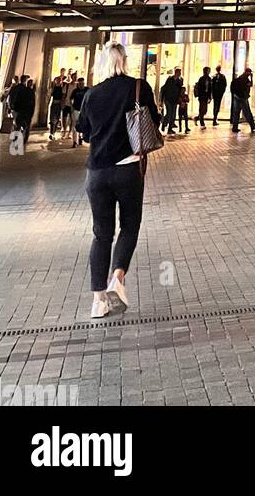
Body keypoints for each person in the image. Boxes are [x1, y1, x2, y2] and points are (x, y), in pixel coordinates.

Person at [77, 42, 161, 320]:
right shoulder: (138, 87)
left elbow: (84, 132)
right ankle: (117, 277)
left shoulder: (91, 94)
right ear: (125, 60)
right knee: (129, 226)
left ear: (102, 63)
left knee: (101, 233)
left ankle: (98, 302)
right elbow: (154, 120)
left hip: (97, 173)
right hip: (128, 170)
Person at [8, 77, 35, 142]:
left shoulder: (21, 90)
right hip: (27, 110)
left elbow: (17, 99)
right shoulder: (31, 92)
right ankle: (25, 138)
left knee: (19, 125)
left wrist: (16, 108)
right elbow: (33, 103)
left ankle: (16, 137)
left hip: (21, 110)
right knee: (26, 125)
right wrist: (32, 111)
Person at [230, 68, 255, 133]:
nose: (250, 74)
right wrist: (252, 78)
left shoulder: (240, 78)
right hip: (242, 98)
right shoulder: (245, 78)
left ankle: (235, 127)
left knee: (236, 112)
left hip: (236, 97)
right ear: (247, 72)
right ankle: (252, 125)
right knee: (247, 112)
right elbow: (250, 85)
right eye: (249, 72)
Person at [159, 70, 181, 135]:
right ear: (176, 73)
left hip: (175, 100)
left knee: (173, 115)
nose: (179, 74)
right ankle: (164, 124)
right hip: (168, 99)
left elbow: (180, 90)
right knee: (169, 113)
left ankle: (170, 129)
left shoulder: (179, 81)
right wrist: (162, 100)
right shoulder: (170, 80)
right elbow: (164, 89)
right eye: (179, 73)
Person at [70, 78, 88, 145]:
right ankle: (75, 141)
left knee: (83, 124)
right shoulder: (75, 91)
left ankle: (81, 137)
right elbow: (70, 99)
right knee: (75, 125)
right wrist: (72, 107)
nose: (81, 85)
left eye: (82, 84)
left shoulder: (87, 90)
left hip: (84, 111)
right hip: (76, 109)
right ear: (78, 84)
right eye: (80, 84)